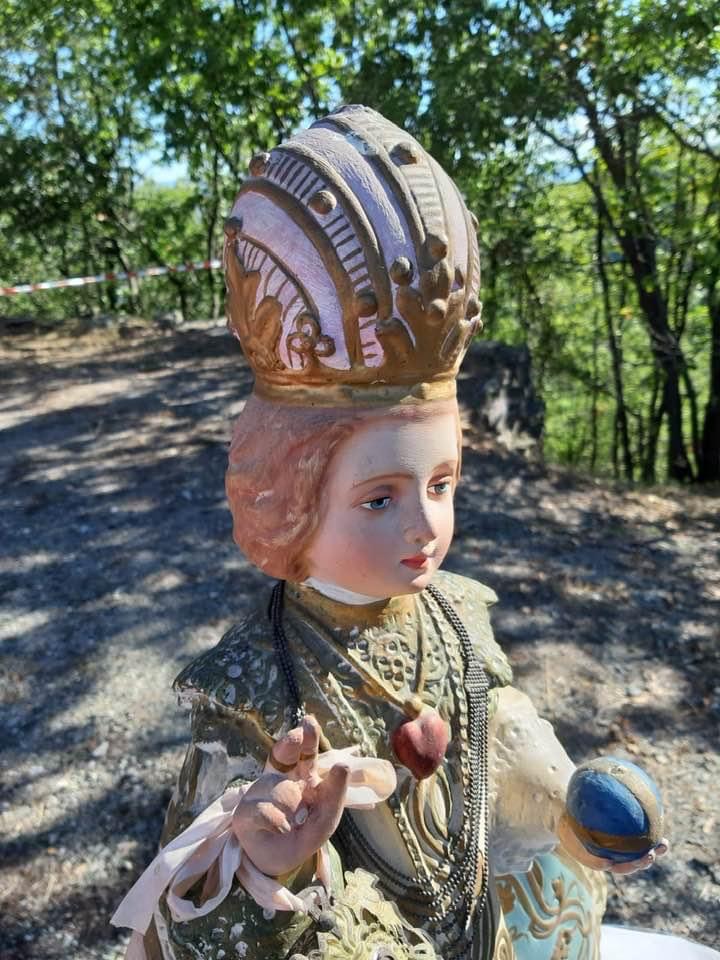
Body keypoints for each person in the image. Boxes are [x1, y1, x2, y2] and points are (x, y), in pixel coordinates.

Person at [113, 105, 703, 960]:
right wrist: (270, 860)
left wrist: (569, 801)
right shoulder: (255, 689)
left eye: (441, 484)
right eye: (379, 499)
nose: (426, 524)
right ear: (289, 503)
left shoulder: (458, 617)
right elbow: (192, 901)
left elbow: (501, 734)